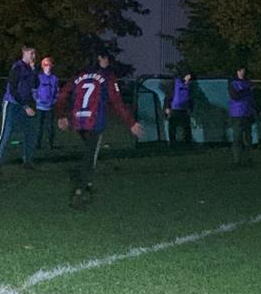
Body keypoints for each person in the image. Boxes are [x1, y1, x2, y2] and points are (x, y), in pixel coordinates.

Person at [56, 48, 143, 208]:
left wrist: (61, 115)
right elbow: (117, 102)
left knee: (90, 151)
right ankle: (80, 191)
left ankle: (85, 183)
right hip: (94, 121)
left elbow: (61, 96)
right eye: (106, 58)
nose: (108, 61)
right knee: (90, 155)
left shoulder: (78, 76)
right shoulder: (107, 77)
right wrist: (131, 122)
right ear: (100, 59)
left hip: (78, 120)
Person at [0, 45, 38, 173]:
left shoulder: (30, 69)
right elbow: (12, 89)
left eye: (34, 54)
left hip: (25, 105)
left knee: (29, 132)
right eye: (31, 53)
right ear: (24, 52)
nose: (33, 57)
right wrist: (24, 106)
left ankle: (27, 160)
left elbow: (35, 84)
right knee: (7, 132)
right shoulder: (17, 67)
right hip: (13, 104)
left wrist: (34, 70)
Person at [228, 64, 256, 165]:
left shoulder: (248, 83)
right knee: (237, 138)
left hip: (247, 113)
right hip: (237, 114)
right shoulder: (233, 83)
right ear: (237, 72)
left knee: (248, 139)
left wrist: (257, 108)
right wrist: (247, 91)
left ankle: (248, 159)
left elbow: (252, 98)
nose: (242, 72)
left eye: (243, 71)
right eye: (240, 70)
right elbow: (235, 96)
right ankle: (237, 160)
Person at [34, 56, 59, 151]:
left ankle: (50, 144)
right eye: (45, 65)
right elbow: (34, 90)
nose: (47, 67)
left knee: (50, 126)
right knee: (39, 127)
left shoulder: (54, 78)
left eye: (49, 65)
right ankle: (37, 144)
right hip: (40, 106)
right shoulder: (39, 77)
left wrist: (54, 100)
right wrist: (37, 99)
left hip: (50, 107)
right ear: (42, 66)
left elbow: (57, 91)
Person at [164, 69, 193, 146]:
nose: (189, 78)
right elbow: (168, 96)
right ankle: (173, 144)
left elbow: (189, 98)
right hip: (174, 109)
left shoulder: (189, 85)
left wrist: (190, 108)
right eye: (188, 76)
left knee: (186, 128)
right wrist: (167, 107)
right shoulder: (174, 83)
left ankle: (188, 144)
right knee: (173, 128)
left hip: (184, 110)